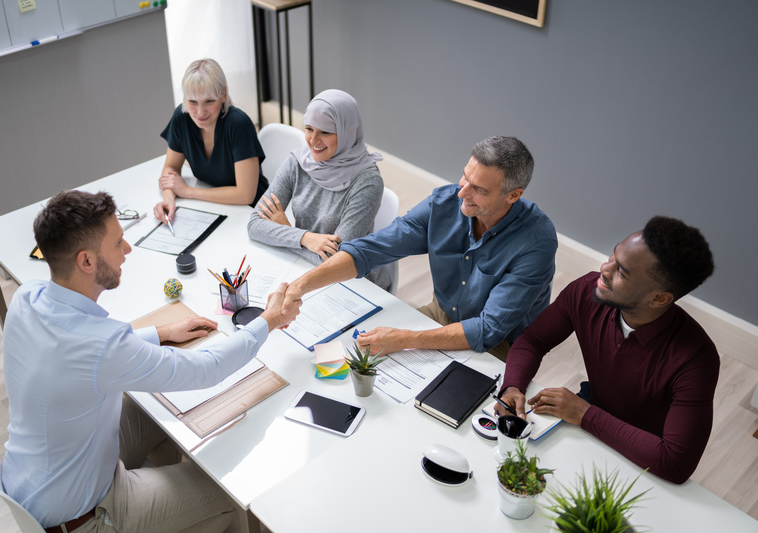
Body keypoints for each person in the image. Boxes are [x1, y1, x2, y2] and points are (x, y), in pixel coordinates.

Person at [2, 190, 300, 532]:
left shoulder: (28, 296)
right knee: (229, 488)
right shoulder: (102, 347)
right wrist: (270, 319)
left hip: (37, 480)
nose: (127, 250)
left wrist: (160, 332)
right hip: (85, 519)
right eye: (118, 243)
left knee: (151, 415)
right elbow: (207, 369)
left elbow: (88, 352)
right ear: (86, 261)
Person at [281, 136, 557, 359]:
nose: (461, 193)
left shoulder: (536, 243)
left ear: (513, 195)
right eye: (464, 178)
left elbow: (488, 329)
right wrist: (300, 285)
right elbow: (370, 250)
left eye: (479, 189)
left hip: (501, 345)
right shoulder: (444, 203)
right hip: (443, 311)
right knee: (360, 359)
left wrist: (405, 339)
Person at [498, 216, 718, 484]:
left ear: (659, 298)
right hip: (588, 420)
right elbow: (533, 340)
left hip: (643, 457)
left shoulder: (696, 359)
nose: (604, 268)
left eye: (622, 272)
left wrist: (583, 413)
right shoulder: (587, 290)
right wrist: (513, 386)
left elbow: (675, 463)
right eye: (613, 256)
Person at [246, 89, 390, 290]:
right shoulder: (298, 162)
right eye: (309, 128)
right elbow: (254, 226)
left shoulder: (368, 182)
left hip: (357, 285)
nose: (313, 140)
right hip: (304, 269)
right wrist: (305, 238)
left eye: (325, 132)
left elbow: (335, 263)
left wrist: (286, 231)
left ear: (348, 132)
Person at [153, 58, 269, 226]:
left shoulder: (239, 124)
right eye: (192, 101)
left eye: (209, 101)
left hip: (251, 212)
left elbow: (246, 195)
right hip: (211, 206)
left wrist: (188, 191)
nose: (200, 112)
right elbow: (171, 168)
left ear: (223, 94)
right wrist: (168, 199)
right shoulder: (181, 117)